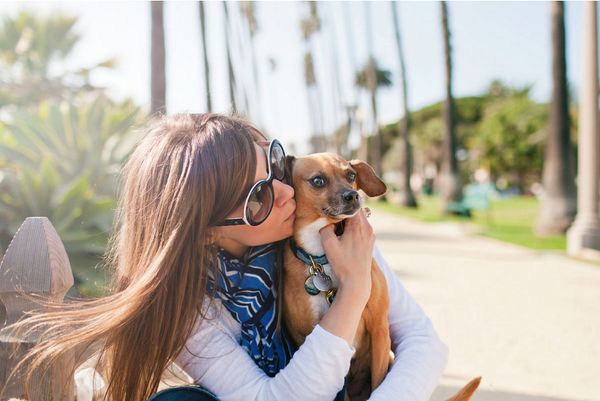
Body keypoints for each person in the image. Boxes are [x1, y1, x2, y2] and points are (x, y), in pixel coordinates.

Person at [8, 113, 447, 401]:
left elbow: (425, 343)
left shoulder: (333, 236)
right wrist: (352, 292)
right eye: (259, 196)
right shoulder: (191, 312)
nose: (286, 192)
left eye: (274, 170)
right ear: (205, 232)